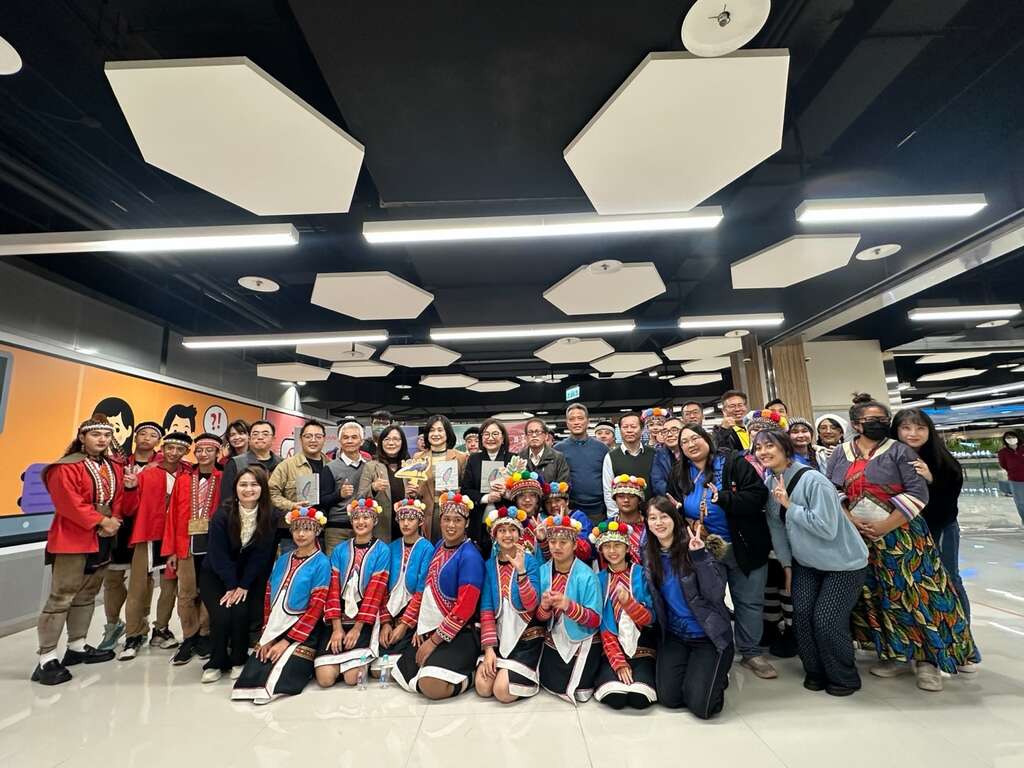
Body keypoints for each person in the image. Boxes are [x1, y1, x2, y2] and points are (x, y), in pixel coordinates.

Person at [826, 393, 975, 692]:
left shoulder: (900, 451)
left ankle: (927, 660)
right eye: (871, 420)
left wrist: (886, 525)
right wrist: (851, 519)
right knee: (878, 595)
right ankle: (893, 653)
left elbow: (918, 492)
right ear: (856, 424)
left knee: (917, 594)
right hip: (860, 537)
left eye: (883, 420)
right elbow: (832, 488)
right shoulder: (840, 453)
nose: (878, 424)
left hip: (903, 535)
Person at [755, 429, 869, 696]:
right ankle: (815, 671)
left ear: (785, 448)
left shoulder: (813, 480)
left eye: (769, 446)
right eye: (758, 448)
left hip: (843, 564)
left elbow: (826, 528)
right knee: (802, 618)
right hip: (806, 563)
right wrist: (786, 565)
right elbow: (776, 528)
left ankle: (843, 677)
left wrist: (790, 505)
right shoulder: (770, 482)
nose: (763, 452)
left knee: (826, 620)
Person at [33, 414, 137, 686]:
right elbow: (68, 503)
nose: (102, 439)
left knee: (88, 594)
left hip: (104, 538)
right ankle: (46, 657)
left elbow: (118, 500)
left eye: (107, 435)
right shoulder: (65, 467)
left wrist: (114, 520)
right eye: (95, 434)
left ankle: (76, 646)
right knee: (61, 596)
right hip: (72, 538)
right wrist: (101, 521)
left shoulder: (113, 466)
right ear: (82, 437)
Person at [667, 424, 775, 679]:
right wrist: (682, 516)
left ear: (707, 439)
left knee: (748, 600)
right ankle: (719, 647)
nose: (691, 444)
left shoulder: (733, 464)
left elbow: (758, 496)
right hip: (704, 549)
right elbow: (672, 507)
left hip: (745, 544)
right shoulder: (678, 473)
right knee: (710, 600)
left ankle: (751, 652)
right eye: (685, 442)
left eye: (696, 438)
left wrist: (724, 498)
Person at [893, 408, 980, 667]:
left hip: (940, 528)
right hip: (903, 532)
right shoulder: (890, 457)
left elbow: (948, 505)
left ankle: (964, 646)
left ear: (929, 431)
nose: (913, 433)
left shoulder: (943, 461)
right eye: (906, 428)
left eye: (920, 428)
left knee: (949, 580)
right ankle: (918, 648)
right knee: (909, 587)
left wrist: (931, 478)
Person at [644, 496, 733, 719]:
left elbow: (715, 594)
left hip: (708, 635)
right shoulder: (649, 554)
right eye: (652, 518)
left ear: (675, 519)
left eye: (664, 516)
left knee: (702, 708)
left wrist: (700, 557)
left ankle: (716, 675)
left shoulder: (695, 547)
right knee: (669, 698)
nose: (658, 523)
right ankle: (699, 675)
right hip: (676, 635)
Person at [232, 506, 331, 704]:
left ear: (317, 531)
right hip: (277, 626)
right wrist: (268, 636)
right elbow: (270, 599)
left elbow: (316, 607)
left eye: (307, 529)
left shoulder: (322, 563)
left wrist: (286, 641)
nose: (301, 534)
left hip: (306, 630)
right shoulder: (283, 560)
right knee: (259, 663)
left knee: (281, 668)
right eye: (297, 529)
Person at [392, 492, 484, 700]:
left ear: (467, 523)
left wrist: (433, 642)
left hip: (462, 632)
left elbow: (465, 608)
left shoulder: (470, 556)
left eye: (457, 520)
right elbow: (428, 590)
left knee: (431, 687)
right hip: (433, 628)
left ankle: (470, 676)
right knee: (399, 673)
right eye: (446, 519)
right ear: (440, 521)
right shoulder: (439, 545)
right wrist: (421, 626)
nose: (451, 525)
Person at [200, 466, 278, 682]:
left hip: (246, 577)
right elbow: (218, 554)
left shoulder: (269, 515)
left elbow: (261, 555)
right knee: (221, 614)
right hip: (216, 574)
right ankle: (216, 662)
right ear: (235, 488)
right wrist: (232, 585)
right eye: (243, 484)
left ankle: (238, 659)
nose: (248, 489)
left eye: (254, 484)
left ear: (262, 488)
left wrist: (243, 585)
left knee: (241, 612)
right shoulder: (222, 514)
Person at [119, 431, 193, 659]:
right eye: (170, 447)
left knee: (170, 586)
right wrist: (130, 487)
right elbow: (129, 508)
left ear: (186, 452)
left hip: (176, 535)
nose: (174, 453)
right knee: (138, 586)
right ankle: (134, 633)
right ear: (163, 448)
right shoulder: (147, 473)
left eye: (179, 449)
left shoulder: (188, 474)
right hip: (148, 533)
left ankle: (161, 628)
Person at [98, 419, 163, 652]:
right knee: (112, 578)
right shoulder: (119, 463)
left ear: (158, 441)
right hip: (119, 526)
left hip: (147, 528)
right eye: (142, 434)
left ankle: (140, 625)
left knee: (143, 580)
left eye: (152, 435)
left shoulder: (163, 466)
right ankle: (113, 624)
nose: (147, 438)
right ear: (135, 437)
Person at [315, 499, 391, 687]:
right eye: (356, 518)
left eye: (366, 517)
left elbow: (375, 591)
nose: (361, 522)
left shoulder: (382, 550)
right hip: (339, 616)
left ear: (374, 520)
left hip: (364, 616)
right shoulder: (340, 550)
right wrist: (336, 628)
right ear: (351, 521)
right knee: (325, 679)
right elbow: (332, 589)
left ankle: (358, 660)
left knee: (352, 679)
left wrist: (357, 629)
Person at [163, 432, 223, 665]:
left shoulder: (223, 478)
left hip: (212, 546)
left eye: (209, 450)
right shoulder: (184, 480)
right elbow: (172, 517)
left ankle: (204, 634)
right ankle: (189, 636)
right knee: (186, 593)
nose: (204, 454)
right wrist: (171, 550)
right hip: (185, 544)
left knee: (209, 592)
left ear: (218, 453)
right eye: (199, 450)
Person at [475, 507, 543, 702]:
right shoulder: (489, 565)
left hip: (526, 636)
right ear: (494, 535)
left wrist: (521, 572)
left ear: (520, 534)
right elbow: (486, 608)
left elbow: (531, 605)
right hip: (499, 634)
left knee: (502, 691)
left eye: (512, 530)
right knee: (483, 687)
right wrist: (489, 649)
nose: (507, 535)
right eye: (502, 530)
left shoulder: (530, 562)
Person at [536, 514, 602, 704]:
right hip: (554, 637)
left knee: (579, 688)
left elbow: (595, 620)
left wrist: (569, 606)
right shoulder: (543, 572)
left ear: (574, 545)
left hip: (582, 637)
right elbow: (540, 618)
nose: (557, 547)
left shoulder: (587, 575)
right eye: (553, 542)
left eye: (563, 542)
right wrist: (545, 607)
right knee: (552, 682)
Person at [590, 521, 656, 710]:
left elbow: (651, 618)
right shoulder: (599, 580)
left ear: (627, 548)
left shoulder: (641, 574)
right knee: (615, 698)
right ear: (601, 550)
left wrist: (629, 604)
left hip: (642, 645)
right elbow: (603, 625)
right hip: (611, 648)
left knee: (640, 699)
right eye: (607, 546)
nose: (612, 551)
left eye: (617, 545)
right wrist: (618, 662)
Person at [377, 498, 433, 676]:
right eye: (402, 519)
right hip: (389, 613)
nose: (406, 523)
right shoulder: (391, 547)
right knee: (377, 671)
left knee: (398, 668)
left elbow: (421, 591)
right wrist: (385, 623)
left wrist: (404, 625)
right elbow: (382, 588)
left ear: (420, 521)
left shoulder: (427, 548)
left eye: (411, 519)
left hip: (413, 616)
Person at [270, 420, 341, 552]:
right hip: (293, 534)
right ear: (300, 439)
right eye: (308, 436)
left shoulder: (333, 466)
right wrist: (291, 505)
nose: (313, 440)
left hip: (324, 534)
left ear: (324, 439)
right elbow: (271, 493)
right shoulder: (287, 466)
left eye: (318, 436)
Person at [408, 414, 469, 541]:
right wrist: (413, 492)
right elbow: (415, 487)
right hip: (426, 511)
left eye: (440, 430)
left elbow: (466, 488)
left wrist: (455, 492)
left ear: (447, 433)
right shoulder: (418, 457)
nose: (436, 434)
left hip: (451, 511)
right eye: (432, 430)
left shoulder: (460, 457)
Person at [463, 418, 514, 551]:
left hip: (506, 520)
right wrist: (486, 497)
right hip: (478, 520)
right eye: (486, 434)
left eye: (495, 434)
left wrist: (506, 493)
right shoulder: (473, 459)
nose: (490, 438)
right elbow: (466, 490)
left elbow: (521, 492)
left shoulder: (513, 459)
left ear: (503, 438)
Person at [555, 404, 609, 523]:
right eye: (572, 419)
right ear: (567, 423)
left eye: (580, 418)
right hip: (570, 511)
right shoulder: (558, 450)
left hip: (598, 511)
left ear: (587, 421)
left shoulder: (602, 448)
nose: (576, 422)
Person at [325, 421, 370, 553]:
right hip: (337, 529)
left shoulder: (370, 466)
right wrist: (339, 494)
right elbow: (321, 500)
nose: (350, 441)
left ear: (361, 441)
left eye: (354, 437)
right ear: (339, 441)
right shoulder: (330, 468)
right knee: (335, 564)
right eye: (345, 437)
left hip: (364, 526)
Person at [602, 412, 654, 517]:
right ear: (620, 430)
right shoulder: (611, 457)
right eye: (625, 427)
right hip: (623, 517)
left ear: (642, 429)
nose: (629, 430)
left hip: (652, 514)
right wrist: (614, 516)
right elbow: (608, 490)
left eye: (633, 426)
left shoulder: (653, 454)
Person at [220, 420, 282, 509]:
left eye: (265, 434)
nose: (260, 437)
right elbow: (227, 499)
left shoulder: (283, 464)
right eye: (255, 434)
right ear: (249, 438)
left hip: (277, 515)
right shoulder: (235, 463)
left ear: (273, 439)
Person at [365, 425, 411, 541]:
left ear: (402, 443)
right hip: (380, 528)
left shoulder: (409, 466)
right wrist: (373, 488)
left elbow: (418, 499)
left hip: (406, 527)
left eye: (396, 439)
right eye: (387, 439)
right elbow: (360, 496)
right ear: (381, 443)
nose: (391, 443)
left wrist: (415, 494)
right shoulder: (371, 466)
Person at [608, 474, 648, 564]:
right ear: (615, 499)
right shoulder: (608, 526)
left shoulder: (650, 525)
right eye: (621, 496)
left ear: (639, 499)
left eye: (632, 496)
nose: (626, 500)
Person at [519, 417, 570, 484]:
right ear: (526, 437)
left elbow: (563, 484)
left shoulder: (558, 458)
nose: (534, 435)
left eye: (538, 432)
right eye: (530, 432)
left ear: (546, 436)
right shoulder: (519, 458)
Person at [997, 430, 1024, 525]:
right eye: (1008, 438)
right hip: (1016, 480)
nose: (1011, 439)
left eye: (1013, 437)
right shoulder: (1003, 452)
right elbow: (1003, 464)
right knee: (1020, 502)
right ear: (1005, 440)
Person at [651, 417, 682, 496]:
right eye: (665, 432)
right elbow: (657, 482)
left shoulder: (692, 452)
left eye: (674, 430)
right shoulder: (659, 455)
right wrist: (674, 497)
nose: (669, 435)